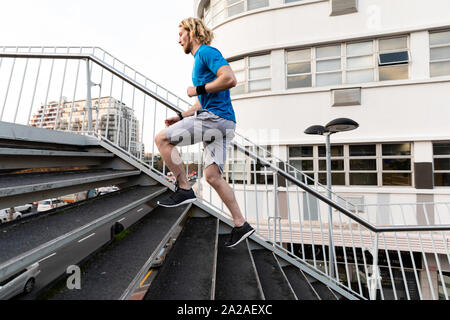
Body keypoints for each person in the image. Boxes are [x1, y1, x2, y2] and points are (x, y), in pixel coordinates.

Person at [154, 17, 254, 248]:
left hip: (216, 120)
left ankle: (184, 188)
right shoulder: (200, 60)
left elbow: (230, 79)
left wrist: (197, 89)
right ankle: (241, 224)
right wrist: (181, 116)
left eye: (181, 34)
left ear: (192, 32)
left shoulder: (206, 53)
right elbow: (202, 103)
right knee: (212, 177)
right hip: (224, 122)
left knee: (161, 139)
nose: (178, 40)